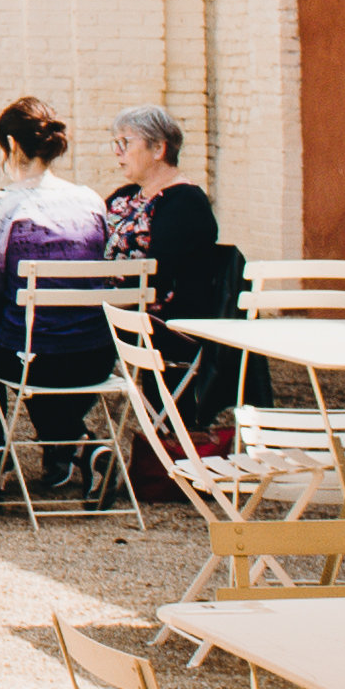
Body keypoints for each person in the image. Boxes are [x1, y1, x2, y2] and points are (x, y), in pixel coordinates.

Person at [0, 95, 109, 466]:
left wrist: (8, 336)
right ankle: (84, 448)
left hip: (33, 354)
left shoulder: (1, 204)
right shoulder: (91, 200)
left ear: (12, 146)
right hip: (97, 353)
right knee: (38, 368)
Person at [103, 103, 249, 445]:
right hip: (120, 314)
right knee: (54, 330)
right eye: (115, 143)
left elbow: (158, 279)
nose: (118, 152)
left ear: (158, 148)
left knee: (64, 335)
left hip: (163, 325)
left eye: (126, 142)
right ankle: (66, 444)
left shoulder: (185, 203)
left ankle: (67, 443)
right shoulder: (126, 197)